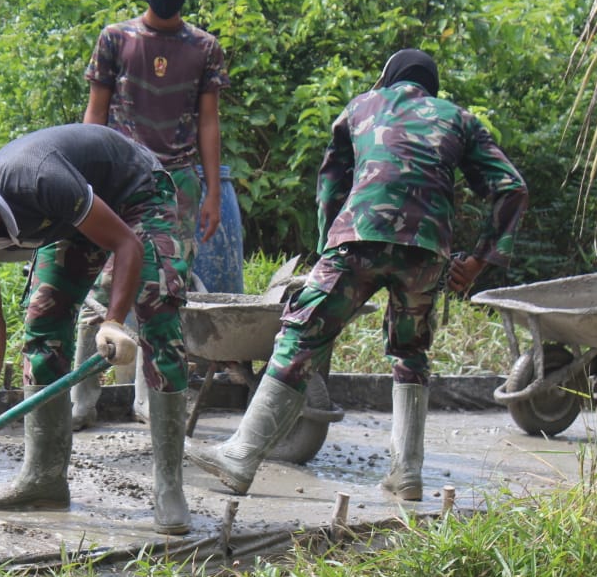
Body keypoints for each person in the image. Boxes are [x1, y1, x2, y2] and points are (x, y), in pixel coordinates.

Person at [186, 49, 529, 500]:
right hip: (426, 252)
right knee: (410, 353)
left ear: (388, 79)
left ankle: (242, 455)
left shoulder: (363, 105)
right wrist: (478, 261)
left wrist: (329, 243)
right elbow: (511, 188)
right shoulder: (458, 119)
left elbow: (331, 182)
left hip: (358, 238)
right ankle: (407, 473)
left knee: (301, 337)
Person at [0, 124, 193, 535]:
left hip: (136, 193)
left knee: (158, 313)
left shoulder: (40, 180)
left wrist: (112, 322)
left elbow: (126, 244)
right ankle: (43, 478)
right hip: (74, 215)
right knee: (43, 324)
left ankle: (170, 488)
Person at [74, 0, 229, 430]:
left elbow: (209, 120)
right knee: (99, 286)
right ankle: (81, 399)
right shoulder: (115, 39)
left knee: (164, 292)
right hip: (118, 177)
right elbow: (94, 114)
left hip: (176, 185)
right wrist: (84, 182)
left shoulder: (204, 48)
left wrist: (210, 193)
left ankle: (149, 399)